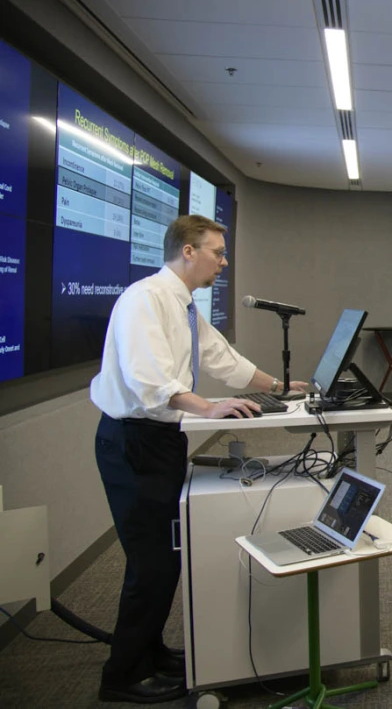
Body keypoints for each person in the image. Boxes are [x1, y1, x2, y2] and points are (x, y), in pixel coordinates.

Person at [90, 215, 307, 704]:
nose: (223, 261)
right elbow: (148, 382)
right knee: (151, 563)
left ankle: (150, 652)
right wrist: (208, 407)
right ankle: (122, 674)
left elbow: (221, 358)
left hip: (159, 440)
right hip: (134, 442)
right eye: (217, 252)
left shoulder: (184, 304)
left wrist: (278, 386)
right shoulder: (144, 299)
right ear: (188, 251)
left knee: (166, 557)